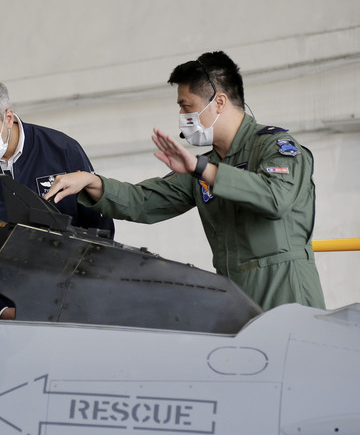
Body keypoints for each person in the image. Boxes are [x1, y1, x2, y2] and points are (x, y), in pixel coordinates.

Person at [45, 51, 325, 311]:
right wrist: (92, 182)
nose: (182, 117)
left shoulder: (276, 147)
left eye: (186, 106)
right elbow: (145, 201)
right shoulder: (205, 166)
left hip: (287, 294)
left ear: (219, 102)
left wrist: (202, 168)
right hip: (238, 299)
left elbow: (276, 198)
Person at [0, 77, 115, 319]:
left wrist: (77, 299)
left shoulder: (62, 151)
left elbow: (100, 231)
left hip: (67, 304)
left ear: (8, 117)